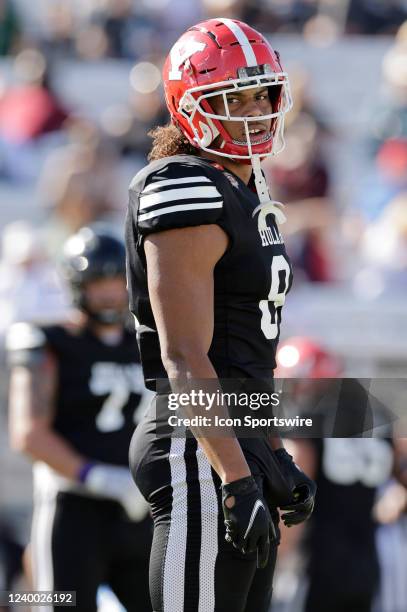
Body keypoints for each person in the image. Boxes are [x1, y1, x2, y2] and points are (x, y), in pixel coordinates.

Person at [125, 18, 316, 612]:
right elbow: (184, 355)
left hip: (233, 438)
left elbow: (241, 349)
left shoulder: (239, 189)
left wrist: (271, 451)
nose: (256, 110)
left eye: (263, 94)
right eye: (235, 97)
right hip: (197, 445)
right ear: (194, 107)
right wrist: (236, 476)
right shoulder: (184, 184)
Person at [7, 226, 153, 612]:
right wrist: (98, 477)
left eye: (114, 280)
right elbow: (28, 434)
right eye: (97, 281)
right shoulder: (47, 340)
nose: (108, 292)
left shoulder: (147, 345)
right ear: (76, 284)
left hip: (140, 509)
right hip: (73, 507)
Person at [274, 337, 395, 612]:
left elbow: (296, 497)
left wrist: (277, 558)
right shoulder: (377, 418)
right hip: (366, 561)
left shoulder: (307, 424)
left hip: (316, 563)